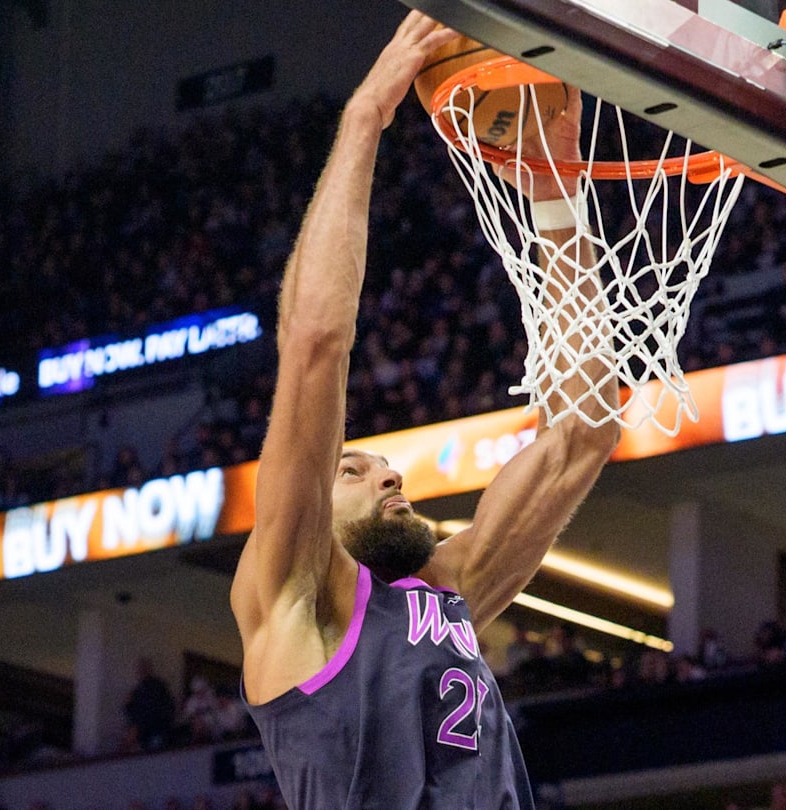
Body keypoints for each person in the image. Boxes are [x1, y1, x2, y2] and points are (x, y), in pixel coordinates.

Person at [230, 12, 619, 809]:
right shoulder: (291, 601)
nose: (388, 476)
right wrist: (365, 116)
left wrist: (554, 198)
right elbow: (314, 343)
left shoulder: (449, 591)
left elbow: (582, 431)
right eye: (352, 469)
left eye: (385, 468)